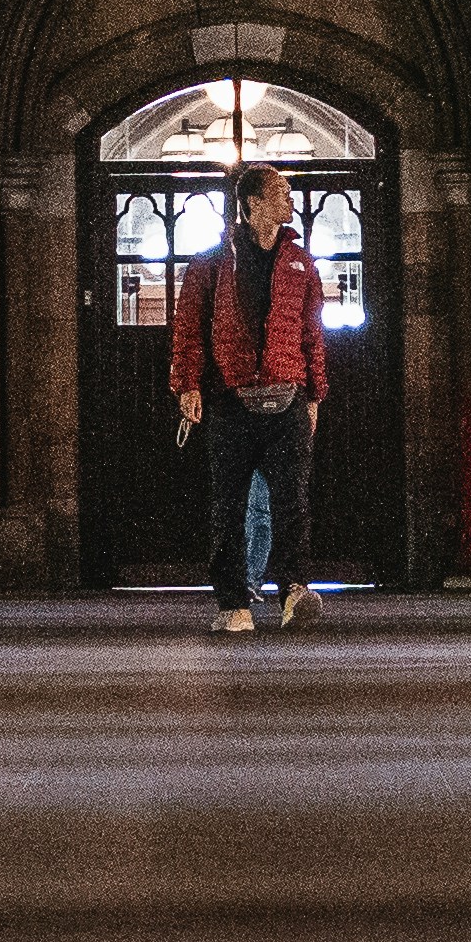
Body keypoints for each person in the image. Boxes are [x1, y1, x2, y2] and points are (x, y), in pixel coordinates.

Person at [167, 162, 331, 632]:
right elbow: (189, 331)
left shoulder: (300, 263)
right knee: (229, 504)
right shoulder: (212, 263)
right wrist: (188, 386)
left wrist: (315, 392)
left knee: (292, 500)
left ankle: (295, 590)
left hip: (289, 398)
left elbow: (311, 332)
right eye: (281, 192)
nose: (290, 200)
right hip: (231, 400)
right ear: (253, 203)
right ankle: (233, 604)